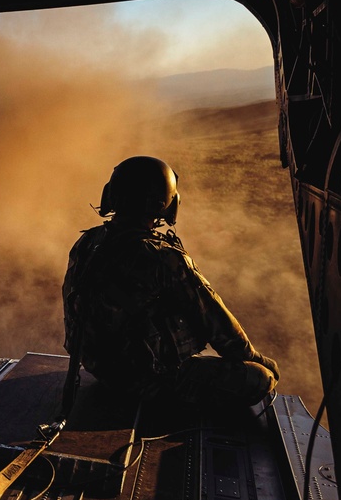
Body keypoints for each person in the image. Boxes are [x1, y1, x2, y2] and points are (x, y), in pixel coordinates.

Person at [61, 156, 280, 410]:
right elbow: (217, 325)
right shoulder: (162, 257)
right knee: (261, 378)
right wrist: (257, 359)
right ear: (163, 202)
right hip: (146, 382)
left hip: (101, 371)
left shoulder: (88, 243)